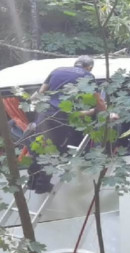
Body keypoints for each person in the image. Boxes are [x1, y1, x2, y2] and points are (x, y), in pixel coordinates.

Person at [28, 55, 106, 193]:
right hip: (61, 119)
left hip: (44, 114)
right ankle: (42, 185)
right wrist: (99, 111)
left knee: (40, 144)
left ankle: (32, 180)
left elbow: (41, 93)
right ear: (90, 67)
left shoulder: (57, 70)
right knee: (55, 149)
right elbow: (98, 101)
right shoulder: (88, 76)